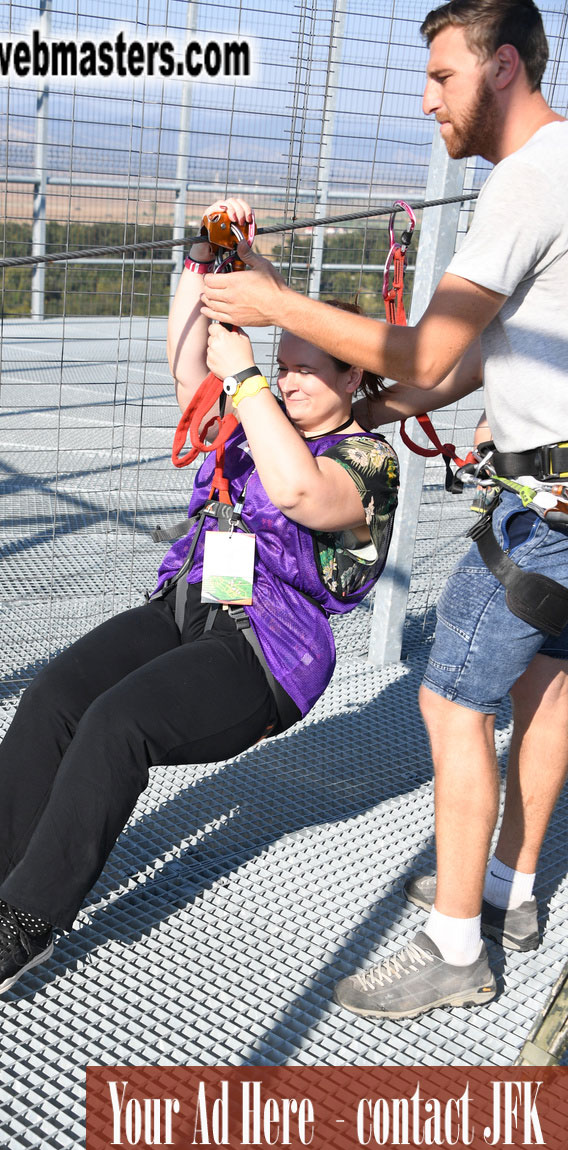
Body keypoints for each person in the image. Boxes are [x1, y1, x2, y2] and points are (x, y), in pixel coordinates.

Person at [0, 197, 399, 999]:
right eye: (287, 361)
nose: (292, 377)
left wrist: (248, 382)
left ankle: (30, 919)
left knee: (117, 724)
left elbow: (302, 494)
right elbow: (185, 365)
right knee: (57, 694)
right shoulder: (248, 412)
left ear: (354, 377)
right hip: (190, 602)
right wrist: (204, 257)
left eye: (314, 366)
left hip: (264, 649)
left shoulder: (368, 461)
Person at [202, 0, 568, 1020]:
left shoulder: (527, 185)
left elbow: (427, 352)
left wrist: (274, 309)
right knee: (548, 682)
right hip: (562, 495)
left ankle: (456, 949)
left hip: (550, 510)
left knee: (451, 699)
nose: (426, 101)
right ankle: (509, 889)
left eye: (441, 77)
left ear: (501, 69)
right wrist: (379, 403)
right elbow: (480, 354)